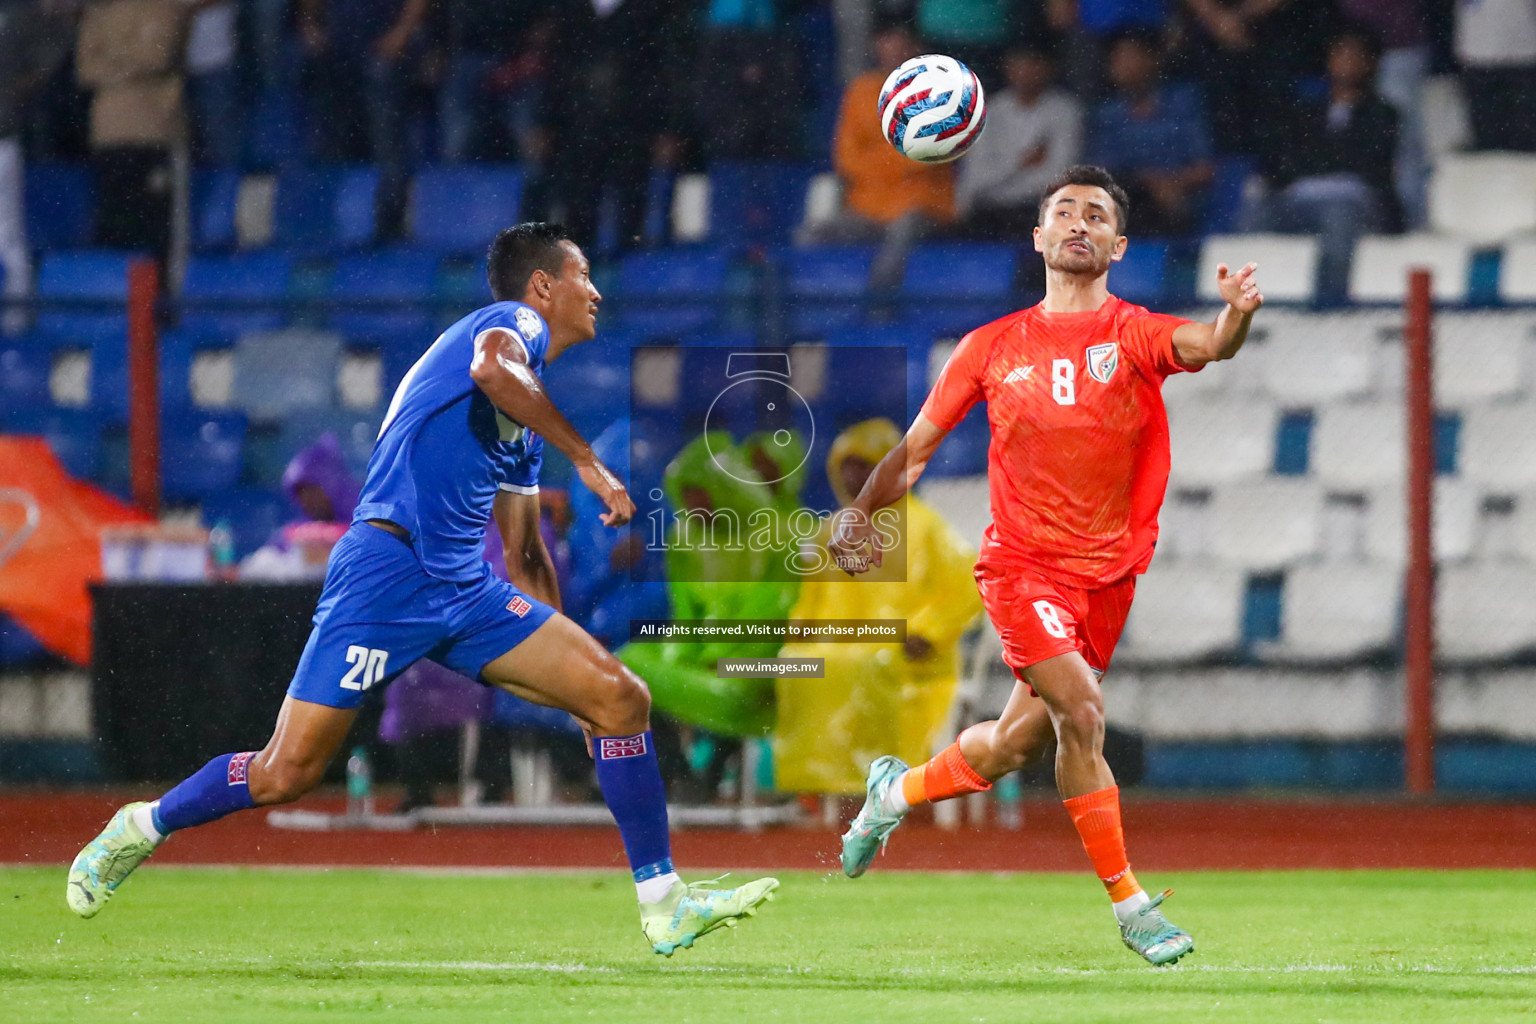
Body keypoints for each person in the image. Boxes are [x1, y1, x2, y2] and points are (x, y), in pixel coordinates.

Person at [65, 223, 778, 956]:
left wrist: (564, 667)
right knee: (288, 772)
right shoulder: (509, 328)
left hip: (464, 586)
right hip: (387, 574)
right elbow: (492, 371)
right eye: (583, 275)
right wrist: (590, 463)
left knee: (619, 695)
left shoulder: (527, 424)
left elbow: (525, 548)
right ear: (542, 287)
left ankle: (664, 904)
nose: (596, 292)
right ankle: (140, 826)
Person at [828, 165, 1264, 966]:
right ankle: (1132, 906)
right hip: (1021, 565)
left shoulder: (1132, 333)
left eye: (1096, 215)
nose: (1078, 223)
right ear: (1037, 237)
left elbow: (1207, 344)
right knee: (1084, 712)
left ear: (1118, 246)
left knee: (1010, 748)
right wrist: (859, 517)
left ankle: (893, 792)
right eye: (1063, 211)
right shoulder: (990, 346)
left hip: (1106, 576)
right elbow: (915, 450)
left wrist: (1232, 315)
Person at [774, 418, 981, 795]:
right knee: (795, 663)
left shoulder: (927, 528)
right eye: (848, 466)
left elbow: (966, 590)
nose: (854, 476)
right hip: (842, 648)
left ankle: (884, 786)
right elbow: (810, 601)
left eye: (865, 466)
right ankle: (817, 785)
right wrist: (800, 630)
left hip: (908, 657)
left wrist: (927, 633)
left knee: (867, 668)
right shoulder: (831, 531)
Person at [796, 18, 955, 291]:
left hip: (921, 205)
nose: (894, 47)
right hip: (867, 207)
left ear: (917, 46)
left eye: (901, 39)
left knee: (903, 230)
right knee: (809, 233)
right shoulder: (860, 90)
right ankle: (823, 315)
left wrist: (878, 158)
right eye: (887, 39)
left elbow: (926, 155)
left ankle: (879, 307)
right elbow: (846, 159)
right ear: (876, 45)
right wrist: (896, 158)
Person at [1251, 28, 1400, 300]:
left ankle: (1332, 305)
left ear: (1370, 63)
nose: (1346, 62)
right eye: (1340, 54)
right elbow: (1288, 161)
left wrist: (1323, 161)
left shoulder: (1384, 114)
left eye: (1354, 56)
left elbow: (1369, 165)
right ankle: (1254, 304)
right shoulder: (1306, 112)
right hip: (1301, 198)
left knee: (1338, 218)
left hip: (1353, 202)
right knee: (1254, 210)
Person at [1088, 31, 1213, 236]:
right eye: (1118, 58)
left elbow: (1205, 169)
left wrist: (1172, 183)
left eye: (1131, 56)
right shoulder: (1108, 114)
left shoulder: (1183, 103)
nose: (1124, 65)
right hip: (1131, 198)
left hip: (1182, 197)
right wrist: (1148, 183)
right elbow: (1103, 172)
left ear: (1153, 60)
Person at [956, 42, 1083, 240]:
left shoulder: (1064, 111)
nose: (1024, 71)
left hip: (1036, 208)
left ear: (1048, 68)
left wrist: (1005, 179)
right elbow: (976, 177)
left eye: (1032, 64)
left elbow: (1059, 178)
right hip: (990, 209)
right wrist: (1021, 164)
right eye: (1017, 64)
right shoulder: (991, 111)